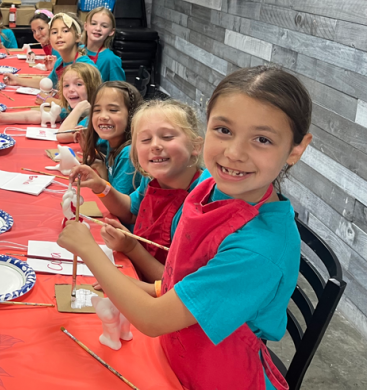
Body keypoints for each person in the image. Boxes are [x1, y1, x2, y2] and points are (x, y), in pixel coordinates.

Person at [60, 66, 313, 390]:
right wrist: (128, 286)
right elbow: (178, 282)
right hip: (175, 349)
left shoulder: (259, 250)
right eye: (223, 130)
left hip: (218, 375)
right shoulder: (209, 187)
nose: (234, 153)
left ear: (295, 149)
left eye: (262, 139)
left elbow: (153, 319)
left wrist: (88, 249)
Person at [74, 99, 207, 282]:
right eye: (145, 139)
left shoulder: (201, 204)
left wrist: (130, 247)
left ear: (196, 146)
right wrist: (101, 186)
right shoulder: (152, 178)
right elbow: (129, 211)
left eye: (167, 137)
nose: (155, 146)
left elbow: (175, 285)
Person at [0, 62, 100, 128]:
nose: (71, 90)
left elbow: (63, 135)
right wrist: (2, 117)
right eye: (66, 85)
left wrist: (78, 110)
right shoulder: (70, 108)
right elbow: (39, 115)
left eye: (78, 84)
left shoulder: (92, 118)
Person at [81, 80, 144, 196]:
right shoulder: (113, 141)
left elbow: (119, 206)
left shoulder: (128, 154)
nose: (103, 116)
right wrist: (101, 168)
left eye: (113, 110)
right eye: (97, 110)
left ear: (132, 114)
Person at [3, 13, 94, 89]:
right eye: (54, 32)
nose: (59, 35)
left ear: (78, 37)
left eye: (65, 31)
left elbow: (84, 104)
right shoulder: (60, 62)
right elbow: (48, 82)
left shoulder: (84, 67)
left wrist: (50, 100)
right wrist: (17, 80)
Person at [82, 7, 125, 82]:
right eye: (94, 23)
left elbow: (119, 90)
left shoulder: (111, 59)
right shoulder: (76, 51)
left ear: (111, 32)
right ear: (85, 26)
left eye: (104, 26)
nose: (98, 28)